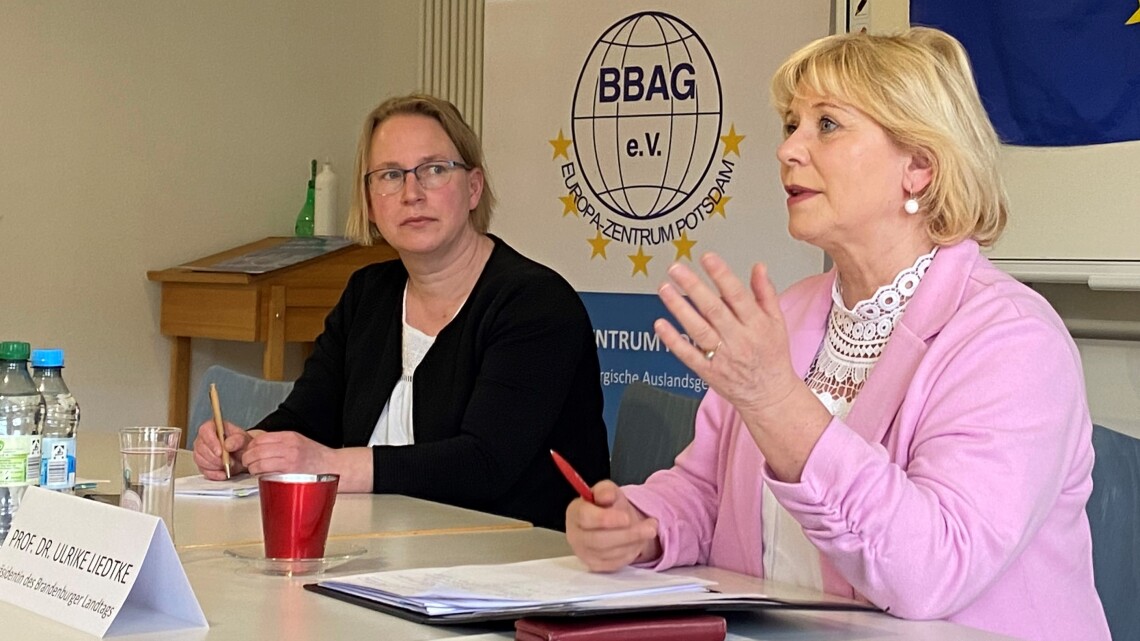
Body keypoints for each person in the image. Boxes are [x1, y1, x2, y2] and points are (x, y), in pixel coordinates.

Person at [565, 27, 1110, 641]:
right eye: (790, 125)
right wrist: (644, 524)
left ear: (919, 167)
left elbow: (930, 570)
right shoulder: (790, 315)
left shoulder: (1013, 340)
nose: (789, 150)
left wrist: (777, 403)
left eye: (826, 125)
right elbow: (710, 494)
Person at [194, 93, 610, 530]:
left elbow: (483, 464)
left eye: (433, 170)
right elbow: (307, 416)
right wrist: (249, 445)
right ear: (371, 204)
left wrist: (329, 463)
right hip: (373, 547)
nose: (412, 194)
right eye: (390, 175)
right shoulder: (368, 294)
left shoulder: (535, 303)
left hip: (511, 566)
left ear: (473, 188)